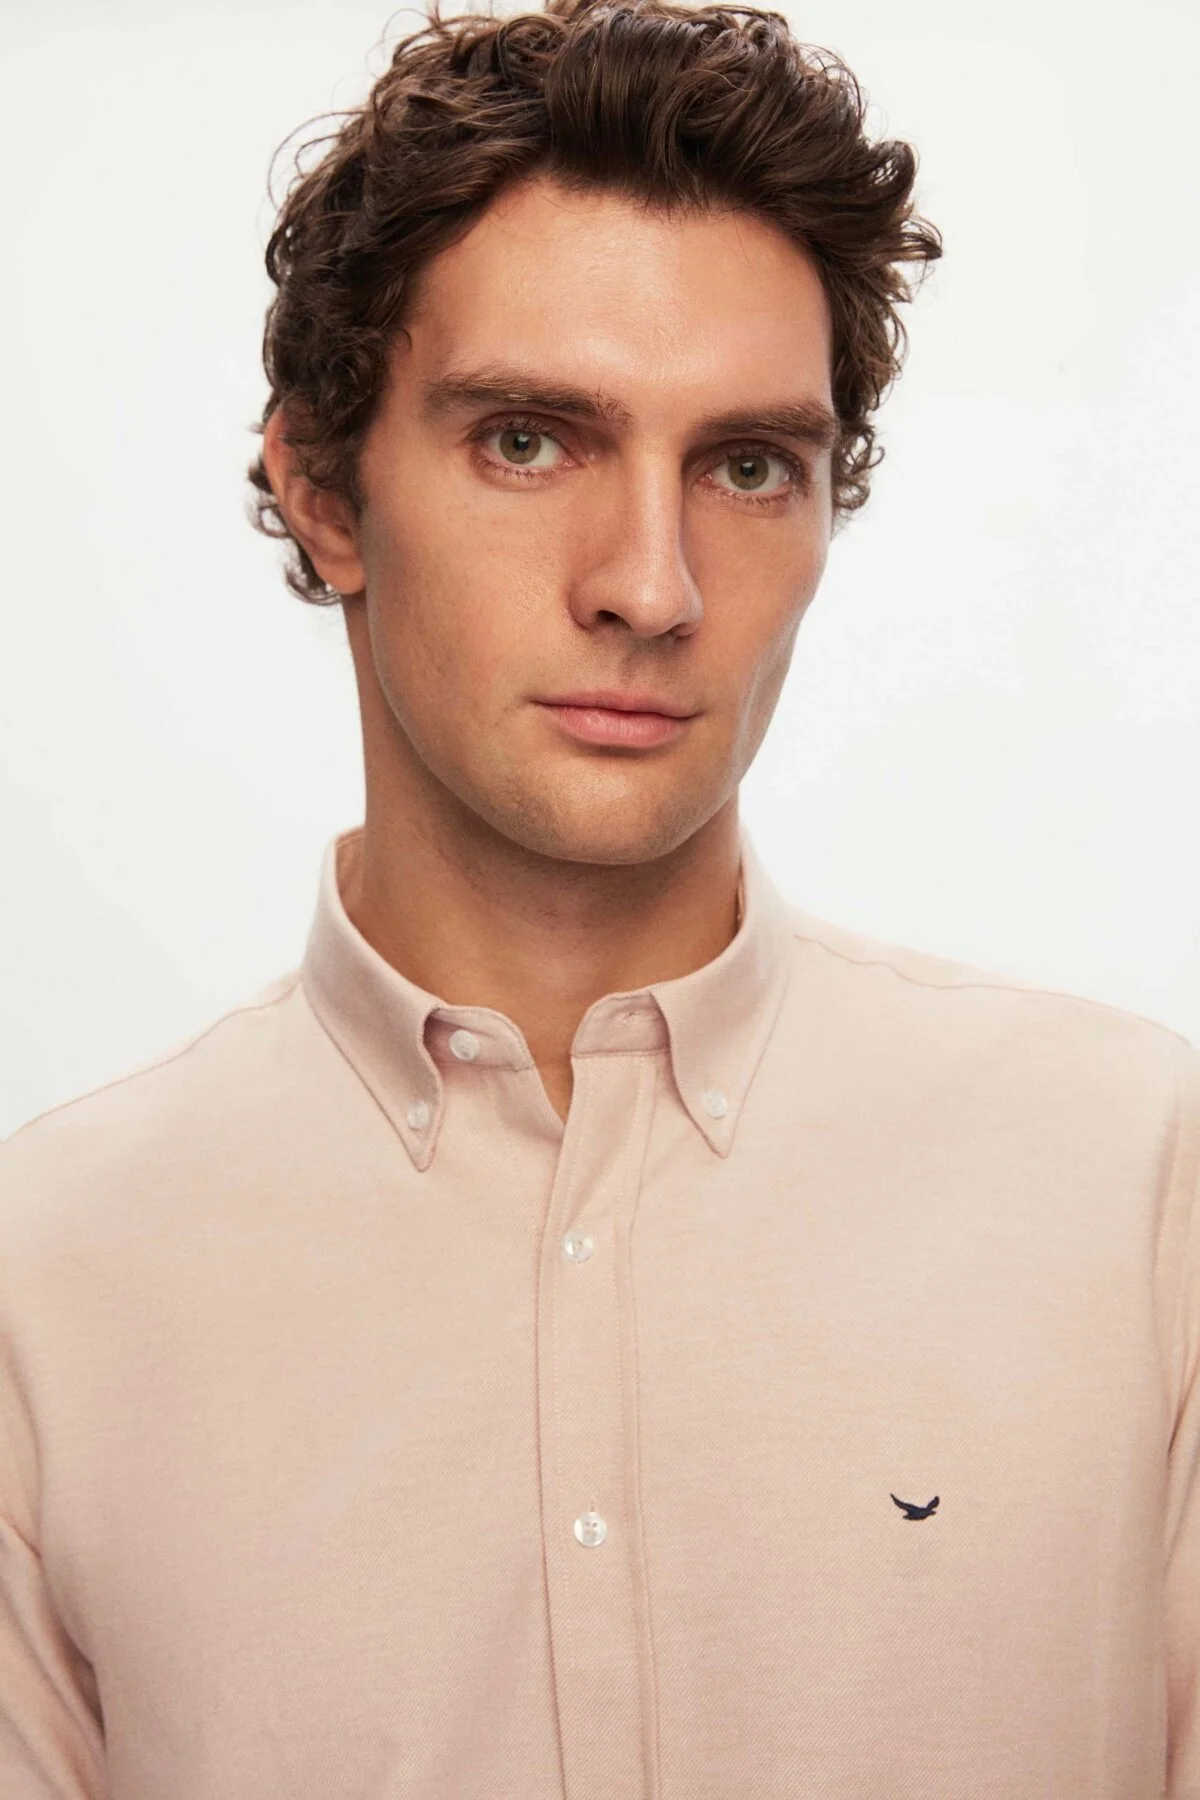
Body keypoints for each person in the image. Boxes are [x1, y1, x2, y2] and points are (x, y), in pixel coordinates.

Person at [1, 0, 1196, 1792]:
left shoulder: (1141, 1188)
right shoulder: (47, 1282)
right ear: (323, 488)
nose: (652, 585)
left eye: (747, 466)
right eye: (529, 441)